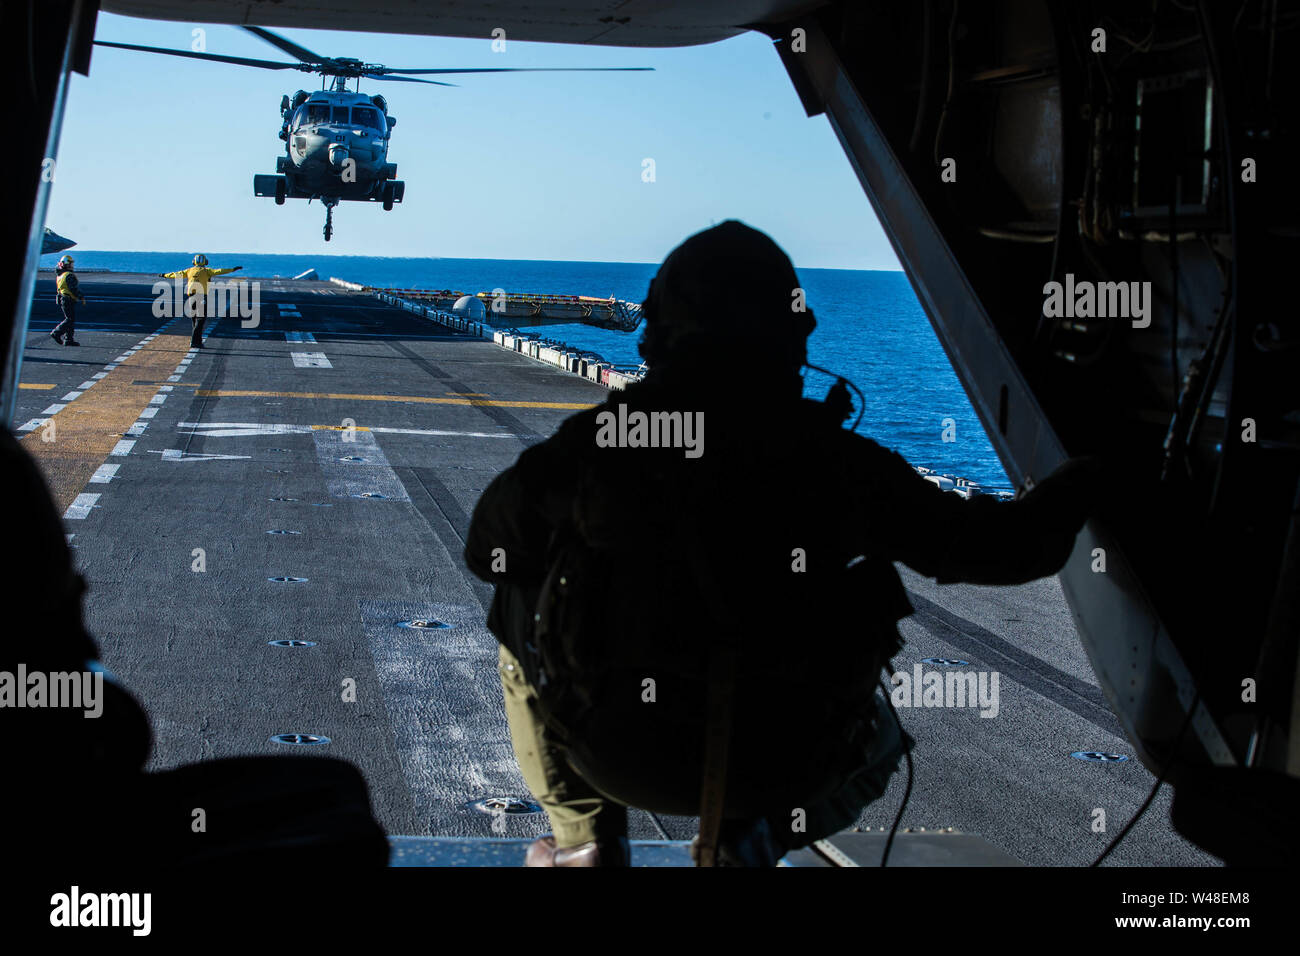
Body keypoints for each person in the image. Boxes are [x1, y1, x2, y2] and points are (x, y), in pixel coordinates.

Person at [465, 220, 1105, 867]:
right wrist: (1087, 475)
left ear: (660, 335)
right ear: (791, 337)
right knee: (883, 735)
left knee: (516, 596)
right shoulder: (839, 461)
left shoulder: (601, 446)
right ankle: (753, 840)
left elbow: (486, 547)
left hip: (619, 750)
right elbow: (1008, 550)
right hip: (789, 763)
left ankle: (584, 842)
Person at [160, 254, 243, 348]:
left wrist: (165, 275)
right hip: (201, 297)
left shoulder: (189, 270)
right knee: (201, 319)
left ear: (193, 262)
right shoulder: (207, 271)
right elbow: (220, 271)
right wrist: (232, 269)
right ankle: (194, 341)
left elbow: (176, 274)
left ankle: (198, 342)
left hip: (191, 297)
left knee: (195, 319)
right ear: (205, 262)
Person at [51, 255, 84, 346]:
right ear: (66, 264)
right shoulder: (68, 275)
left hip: (63, 298)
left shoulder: (60, 275)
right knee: (69, 319)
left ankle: (68, 339)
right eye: (70, 263)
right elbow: (73, 288)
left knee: (70, 319)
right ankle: (56, 333)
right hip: (68, 299)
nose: (72, 265)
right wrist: (80, 296)